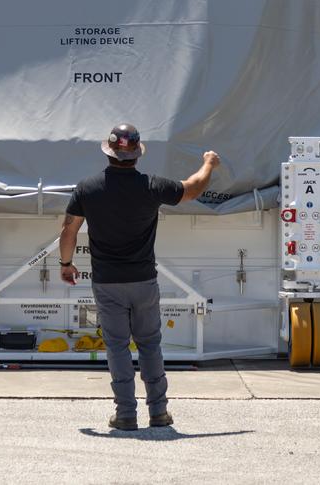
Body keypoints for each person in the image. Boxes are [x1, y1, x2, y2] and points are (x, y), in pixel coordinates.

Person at [58, 123, 220, 431]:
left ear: (108, 152)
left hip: (106, 282)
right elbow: (193, 188)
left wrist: (66, 263)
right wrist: (209, 163)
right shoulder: (152, 186)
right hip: (143, 280)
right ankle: (158, 412)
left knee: (117, 346)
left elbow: (69, 230)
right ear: (137, 153)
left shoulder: (88, 188)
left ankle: (126, 414)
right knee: (149, 344)